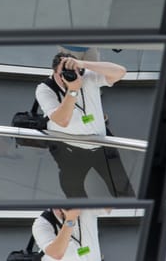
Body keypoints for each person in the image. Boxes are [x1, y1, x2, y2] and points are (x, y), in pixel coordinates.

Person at [36, 52, 134, 197]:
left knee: (122, 189)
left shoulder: (85, 75)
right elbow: (62, 120)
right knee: (73, 191)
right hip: (70, 150)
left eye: (75, 71)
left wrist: (83, 64)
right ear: (55, 72)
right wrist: (73, 90)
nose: (71, 75)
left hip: (102, 144)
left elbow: (121, 72)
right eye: (64, 73)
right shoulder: (45, 89)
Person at [32, 208, 111, 261]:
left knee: (87, 248)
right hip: (62, 257)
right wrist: (70, 219)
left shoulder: (85, 208)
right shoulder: (42, 223)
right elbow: (56, 253)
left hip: (82, 252)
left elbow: (108, 208)